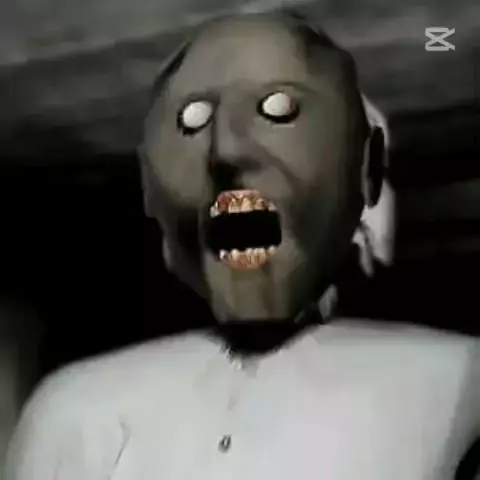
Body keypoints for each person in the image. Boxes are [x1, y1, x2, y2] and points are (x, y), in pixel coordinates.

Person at [4, 11, 479, 480]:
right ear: (149, 186)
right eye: (192, 119)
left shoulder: (458, 386)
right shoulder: (72, 412)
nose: (226, 149)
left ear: (366, 169)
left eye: (278, 108)